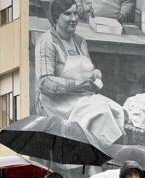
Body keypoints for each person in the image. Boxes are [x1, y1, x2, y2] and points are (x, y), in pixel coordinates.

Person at [35, 0, 125, 146]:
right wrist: (77, 83)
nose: (74, 18)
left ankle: (100, 157)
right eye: (68, 14)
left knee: (116, 110)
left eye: (76, 13)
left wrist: (94, 73)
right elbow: (45, 83)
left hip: (80, 98)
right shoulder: (47, 42)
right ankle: (90, 164)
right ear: (56, 17)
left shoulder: (80, 41)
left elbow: (86, 72)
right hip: (58, 103)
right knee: (101, 113)